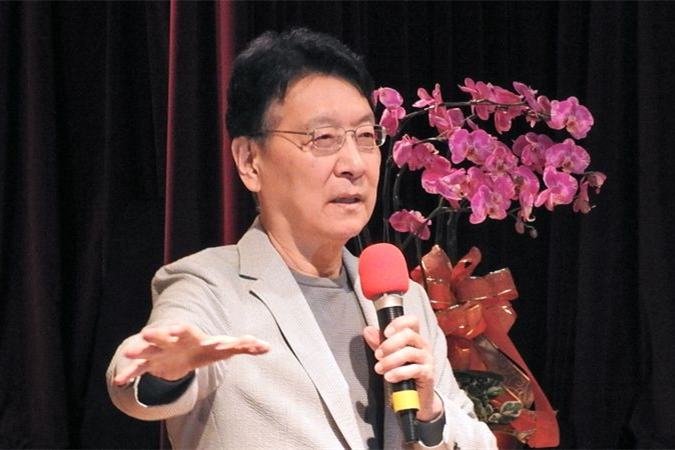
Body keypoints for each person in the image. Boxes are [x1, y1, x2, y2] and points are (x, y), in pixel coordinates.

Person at [107, 28, 497, 450]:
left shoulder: (404, 299)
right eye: (323, 138)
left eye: (366, 137)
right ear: (249, 161)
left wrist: (430, 413)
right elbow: (137, 380)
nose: (353, 164)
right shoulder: (209, 285)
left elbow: (478, 439)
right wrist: (163, 371)